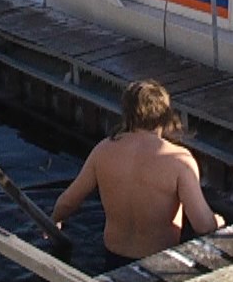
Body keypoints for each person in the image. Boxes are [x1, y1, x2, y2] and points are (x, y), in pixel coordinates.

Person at [51, 80, 221, 267]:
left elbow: (68, 201)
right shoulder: (179, 161)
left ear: (126, 114)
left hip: (113, 259)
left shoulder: (103, 151)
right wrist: (217, 222)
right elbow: (203, 225)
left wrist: (56, 220)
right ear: (165, 116)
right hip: (159, 262)